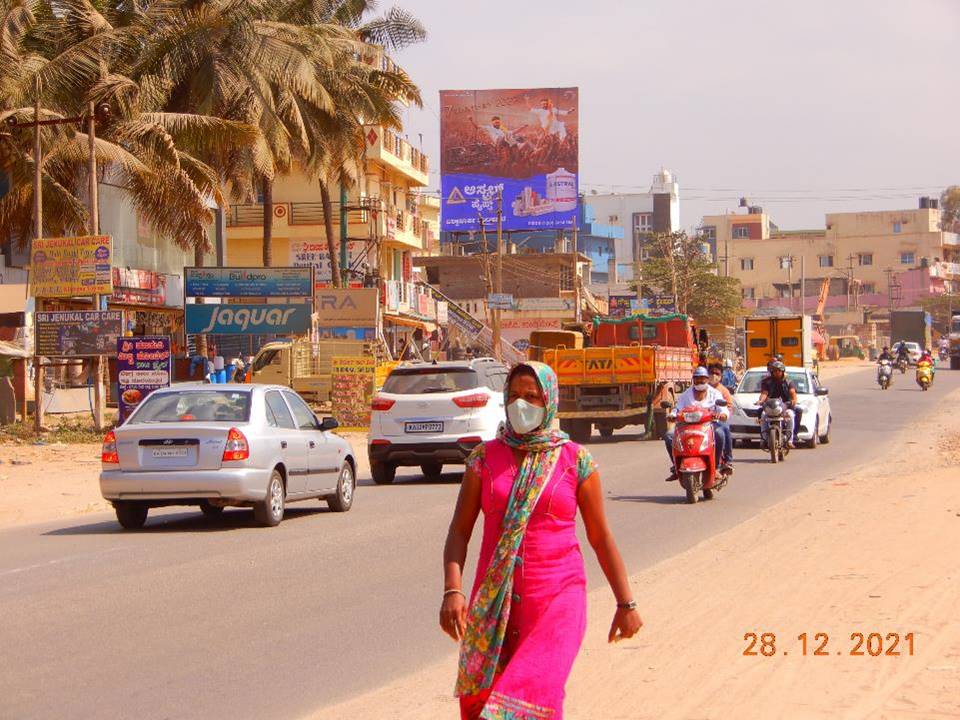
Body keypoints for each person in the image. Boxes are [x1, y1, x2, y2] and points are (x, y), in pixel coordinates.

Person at [440, 362, 642, 719]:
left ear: (549, 400)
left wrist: (625, 604)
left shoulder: (575, 461)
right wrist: (452, 590)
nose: (522, 404)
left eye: (532, 396)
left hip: (557, 601)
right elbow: (459, 531)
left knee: (536, 693)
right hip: (494, 604)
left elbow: (600, 537)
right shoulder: (483, 460)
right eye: (514, 395)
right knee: (486, 699)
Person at [663, 366, 732, 480]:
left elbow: (723, 410)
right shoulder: (686, 395)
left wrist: (722, 415)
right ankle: (676, 466)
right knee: (669, 436)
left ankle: (716, 467)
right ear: (693, 380)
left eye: (702, 379)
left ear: (707, 380)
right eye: (697, 379)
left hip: (709, 425)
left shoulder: (715, 394)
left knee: (720, 433)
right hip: (687, 426)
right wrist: (672, 415)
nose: (700, 381)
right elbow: (677, 409)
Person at [756, 361, 799, 448]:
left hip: (785, 406)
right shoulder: (767, 381)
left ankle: (789, 440)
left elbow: (792, 392)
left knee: (790, 415)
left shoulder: (788, 381)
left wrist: (793, 400)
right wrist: (760, 401)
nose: (776, 372)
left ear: (782, 371)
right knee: (763, 415)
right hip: (770, 406)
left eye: (778, 371)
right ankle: (764, 438)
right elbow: (764, 393)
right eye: (774, 371)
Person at [708, 367, 735, 470]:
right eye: (711, 373)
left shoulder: (723, 391)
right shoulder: (701, 390)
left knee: (724, 430)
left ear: (721, 377)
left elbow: (728, 408)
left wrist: (721, 415)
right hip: (702, 421)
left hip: (718, 420)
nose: (713, 376)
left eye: (716, 374)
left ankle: (728, 460)